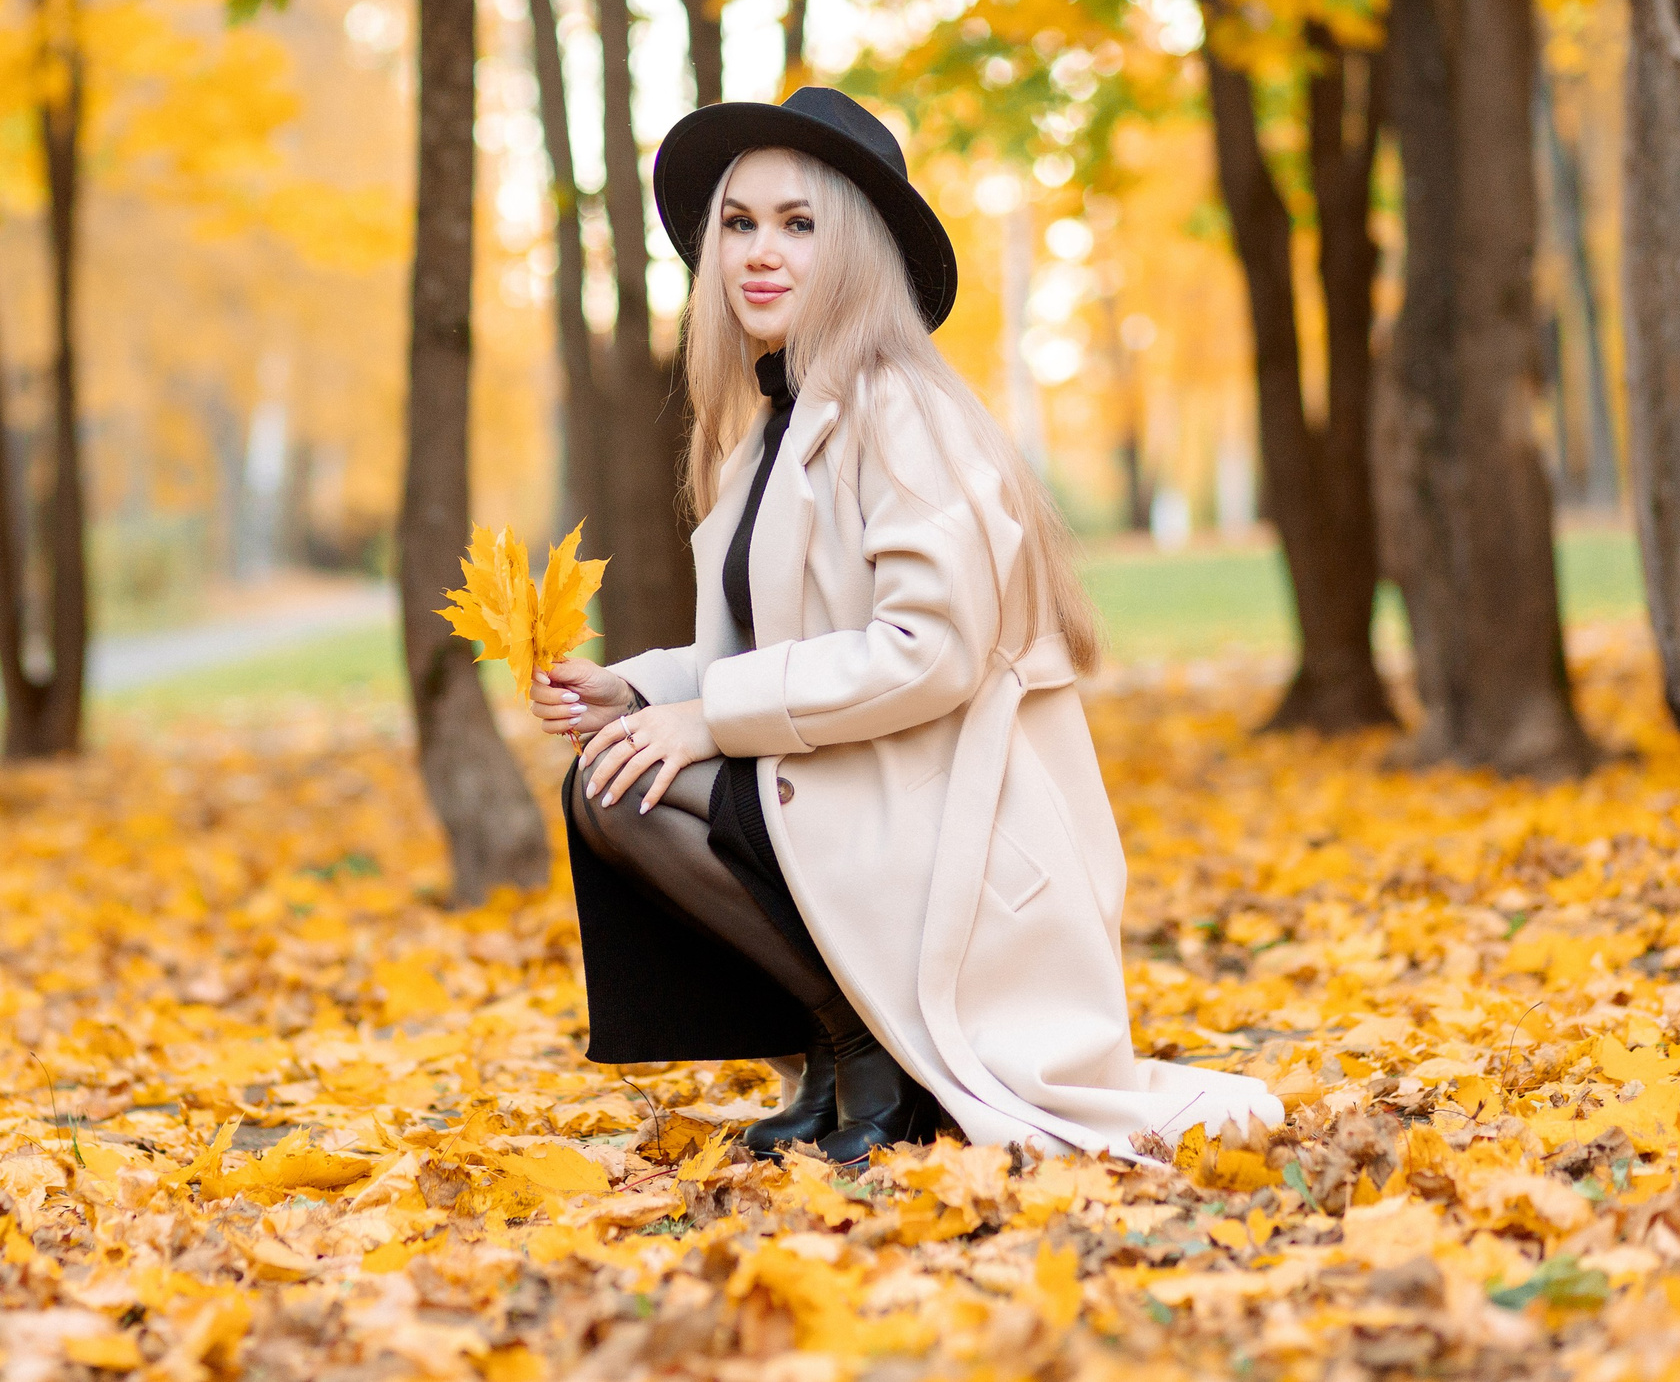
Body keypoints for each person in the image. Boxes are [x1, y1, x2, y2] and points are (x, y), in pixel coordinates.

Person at [531, 87, 1280, 1167]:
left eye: (799, 224)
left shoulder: (901, 410)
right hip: (858, 787)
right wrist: (644, 692)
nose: (758, 252)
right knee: (612, 777)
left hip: (938, 817)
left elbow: (925, 652)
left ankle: (881, 1053)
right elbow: (776, 644)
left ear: (857, 252)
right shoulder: (768, 436)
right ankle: (844, 1045)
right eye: (738, 224)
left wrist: (708, 723)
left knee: (633, 782)